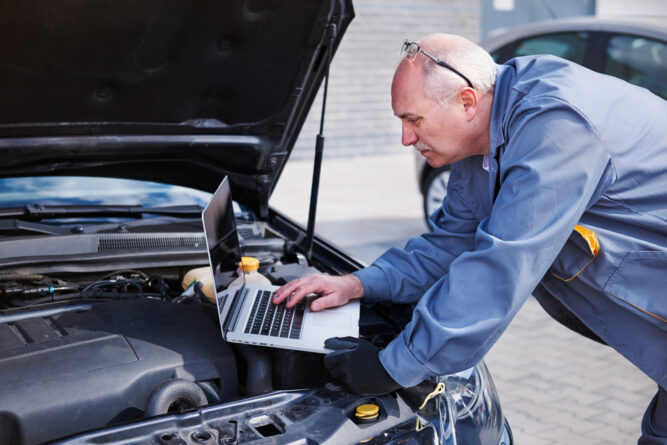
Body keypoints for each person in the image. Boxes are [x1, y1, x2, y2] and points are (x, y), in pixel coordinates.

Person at [272, 33, 667, 443]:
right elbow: (450, 244)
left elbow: (500, 269)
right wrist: (357, 284)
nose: (405, 139)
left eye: (413, 120)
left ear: (466, 101)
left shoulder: (557, 126)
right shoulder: (482, 144)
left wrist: (396, 364)